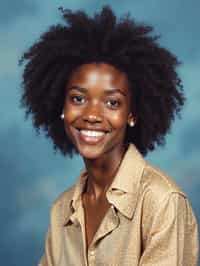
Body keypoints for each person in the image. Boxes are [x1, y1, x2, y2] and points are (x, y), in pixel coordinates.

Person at [19, 5, 199, 266]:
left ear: (132, 114)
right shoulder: (61, 211)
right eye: (78, 98)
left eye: (112, 103)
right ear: (61, 107)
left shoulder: (161, 203)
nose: (92, 114)